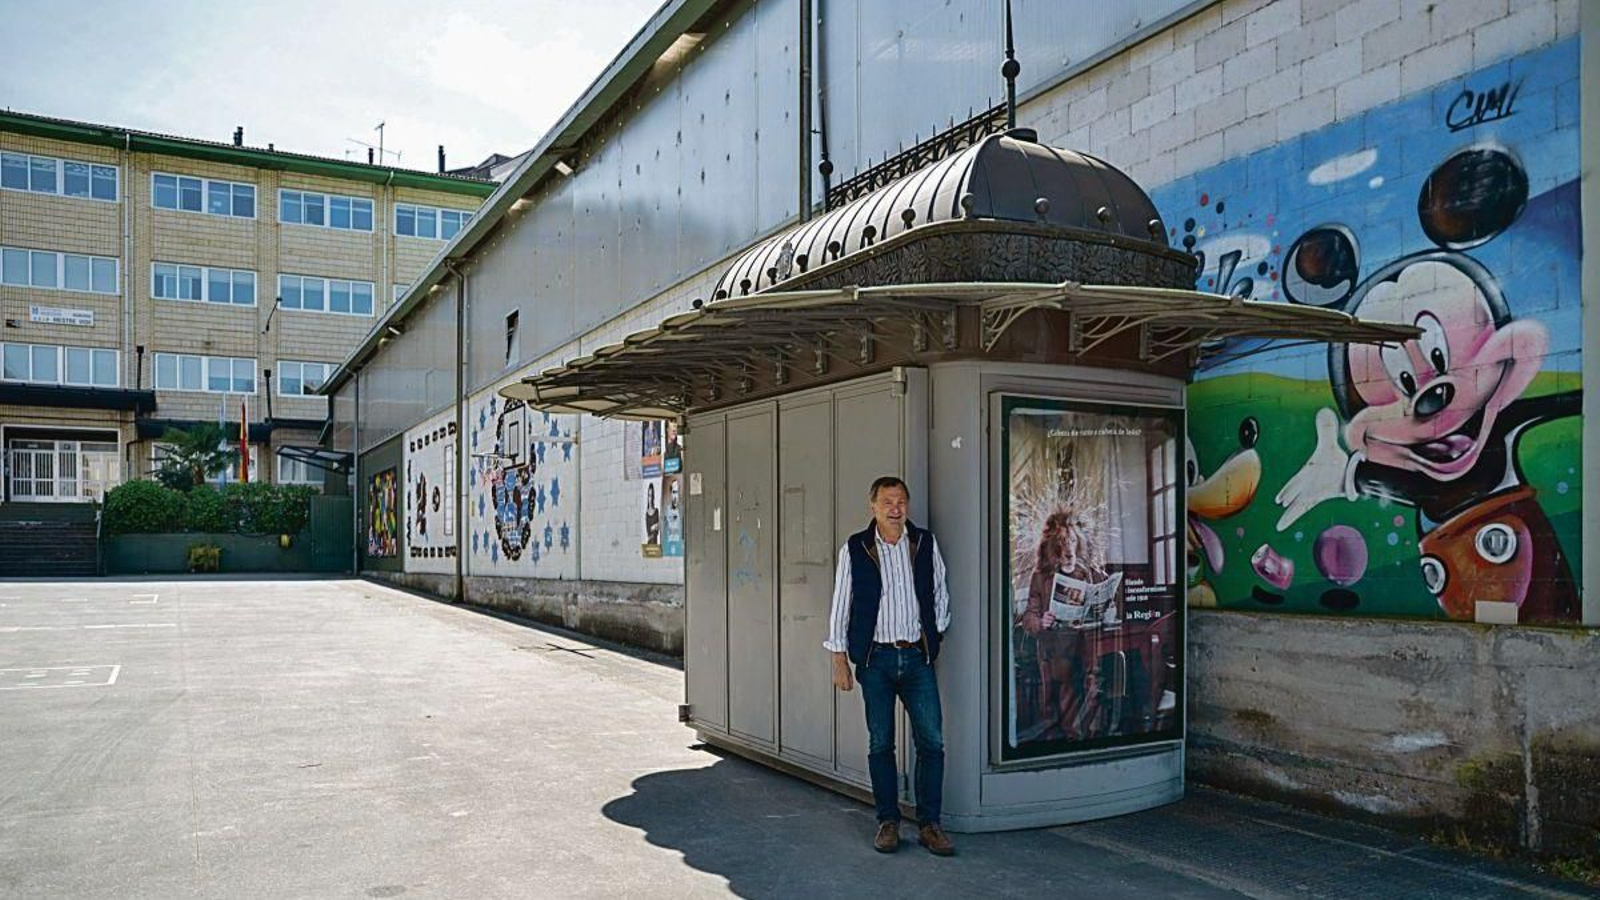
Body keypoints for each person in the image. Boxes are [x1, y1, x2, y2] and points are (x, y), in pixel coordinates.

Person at [824, 476, 954, 856]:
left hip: (916, 658)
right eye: (887, 502)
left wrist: (935, 633)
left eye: (901, 502)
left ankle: (930, 824)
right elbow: (840, 602)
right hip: (875, 660)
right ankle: (888, 822)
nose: (895, 509)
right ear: (873, 507)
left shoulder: (924, 543)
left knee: (932, 742)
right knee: (880, 742)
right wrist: (839, 658)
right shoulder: (857, 547)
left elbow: (940, 592)